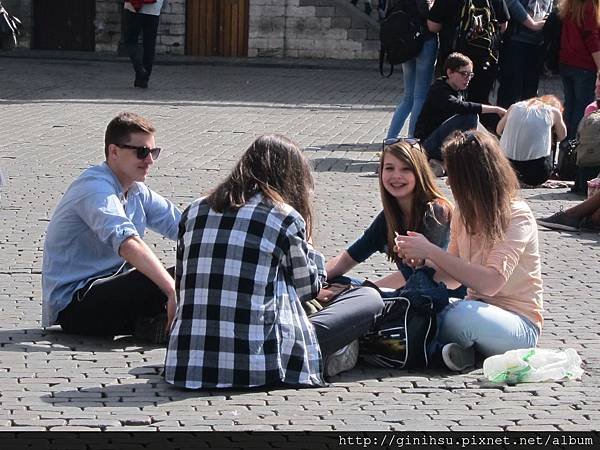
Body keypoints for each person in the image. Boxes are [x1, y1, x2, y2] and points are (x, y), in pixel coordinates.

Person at [164, 135, 384, 389]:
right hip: (257, 362)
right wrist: (307, 240)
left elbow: (183, 280)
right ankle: (327, 351)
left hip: (188, 361)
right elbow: (309, 287)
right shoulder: (283, 216)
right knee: (369, 298)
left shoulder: (194, 210)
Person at [396, 130, 542, 372]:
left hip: (519, 325)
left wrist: (431, 250)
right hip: (477, 310)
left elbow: (490, 283)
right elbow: (450, 276)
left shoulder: (517, 215)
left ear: (472, 177)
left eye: (453, 174)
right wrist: (419, 263)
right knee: (416, 306)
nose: (449, 182)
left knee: (459, 314)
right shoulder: (464, 213)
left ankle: (444, 346)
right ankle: (460, 352)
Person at [42, 112, 181, 344]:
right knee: (163, 278)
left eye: (153, 152)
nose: (150, 161)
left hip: (112, 290)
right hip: (76, 304)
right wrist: (170, 288)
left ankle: (154, 323)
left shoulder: (136, 191)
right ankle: (162, 320)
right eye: (142, 152)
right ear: (114, 152)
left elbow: (183, 225)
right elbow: (127, 243)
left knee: (196, 268)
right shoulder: (95, 188)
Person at [326, 140, 453, 290]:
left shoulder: (437, 211)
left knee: (345, 291)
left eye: (406, 169)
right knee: (334, 283)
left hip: (444, 298)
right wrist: (315, 279)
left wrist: (359, 293)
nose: (396, 176)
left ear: (420, 173)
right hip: (409, 290)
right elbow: (349, 257)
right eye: (389, 168)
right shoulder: (389, 216)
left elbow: (421, 275)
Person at [414, 52, 506, 175]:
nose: (467, 78)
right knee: (470, 117)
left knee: (477, 127)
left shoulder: (457, 89)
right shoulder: (439, 89)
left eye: (470, 75)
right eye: (464, 74)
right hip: (427, 146)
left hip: (439, 143)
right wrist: (496, 109)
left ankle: (444, 163)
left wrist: (494, 144)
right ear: (450, 73)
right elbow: (460, 107)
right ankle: (445, 162)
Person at [427, 0, 509, 107]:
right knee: (479, 103)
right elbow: (503, 26)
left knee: (449, 102)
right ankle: (475, 122)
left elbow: (433, 26)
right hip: (485, 59)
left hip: (454, 60)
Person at [385, 0, 438, 139]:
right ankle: (412, 138)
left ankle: (390, 138)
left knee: (408, 97)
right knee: (420, 95)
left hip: (405, 42)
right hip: (424, 40)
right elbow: (428, 15)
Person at [497, 95, 567, 186]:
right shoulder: (553, 111)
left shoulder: (514, 107)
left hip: (507, 168)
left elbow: (498, 130)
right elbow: (562, 136)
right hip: (537, 173)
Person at [496, 0, 553, 108]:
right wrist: (532, 24)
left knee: (530, 93)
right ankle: (503, 122)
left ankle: (526, 122)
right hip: (515, 42)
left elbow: (548, 11)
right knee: (510, 90)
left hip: (537, 45)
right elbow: (510, 3)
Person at [558, 0, 600, 140]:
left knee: (570, 104)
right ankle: (574, 145)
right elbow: (592, 40)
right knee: (582, 107)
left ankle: (563, 142)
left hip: (566, 62)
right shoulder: (589, 6)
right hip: (584, 65)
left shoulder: (569, 5)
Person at [123, 0, 165, 88]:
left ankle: (140, 68)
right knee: (149, 44)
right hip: (154, 9)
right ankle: (143, 79)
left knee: (130, 40)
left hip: (133, 7)